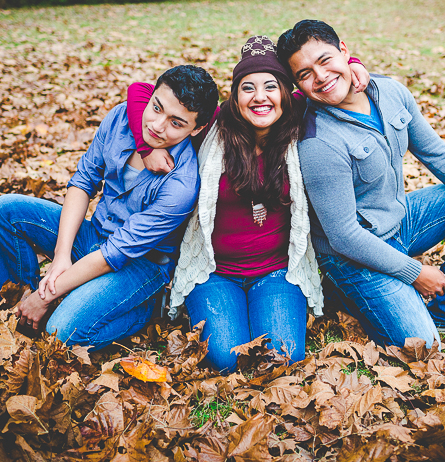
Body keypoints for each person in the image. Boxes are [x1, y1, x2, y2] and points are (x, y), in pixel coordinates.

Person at [126, 37, 371, 372]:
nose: (259, 97)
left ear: (285, 93)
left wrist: (352, 62)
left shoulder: (297, 117)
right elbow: (140, 90)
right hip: (214, 272)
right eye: (247, 87)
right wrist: (147, 146)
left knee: (283, 357)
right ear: (234, 96)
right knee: (226, 359)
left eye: (270, 86)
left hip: (276, 271)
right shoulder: (213, 124)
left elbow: (327, 80)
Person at [276, 20, 445, 348]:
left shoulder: (389, 92)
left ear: (344, 51)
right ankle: (343, 288)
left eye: (324, 60)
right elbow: (344, 237)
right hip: (351, 253)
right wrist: (414, 273)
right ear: (299, 86)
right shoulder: (317, 141)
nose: (319, 76)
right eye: (305, 74)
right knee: (423, 345)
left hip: (399, 221)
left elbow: (437, 153)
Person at [0, 65, 219, 350]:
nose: (157, 126)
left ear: (197, 128)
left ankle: (145, 308)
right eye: (156, 108)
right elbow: (83, 182)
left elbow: (116, 252)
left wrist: (46, 295)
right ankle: (21, 307)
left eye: (176, 123)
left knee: (62, 332)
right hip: (95, 234)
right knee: (5, 211)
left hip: (140, 265)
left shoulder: (181, 184)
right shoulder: (122, 118)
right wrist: (60, 258)